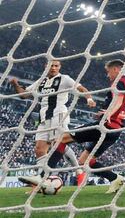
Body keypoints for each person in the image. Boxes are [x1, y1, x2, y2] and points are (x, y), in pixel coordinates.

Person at [10, 60, 96, 190]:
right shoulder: (42, 81)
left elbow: (81, 88)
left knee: (59, 143)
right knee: (39, 149)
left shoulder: (64, 79)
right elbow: (24, 95)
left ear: (59, 67)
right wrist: (15, 84)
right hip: (44, 119)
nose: (54, 68)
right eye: (51, 65)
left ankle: (79, 173)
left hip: (59, 116)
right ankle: (41, 180)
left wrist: (89, 98)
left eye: (56, 66)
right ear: (46, 66)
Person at [59, 59, 125, 194]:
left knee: (62, 138)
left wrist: (108, 114)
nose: (108, 75)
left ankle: (43, 177)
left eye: (108, 71)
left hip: (106, 126)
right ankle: (116, 178)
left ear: (116, 69)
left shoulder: (119, 82)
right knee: (84, 161)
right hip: (117, 129)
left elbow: (119, 100)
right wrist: (110, 112)